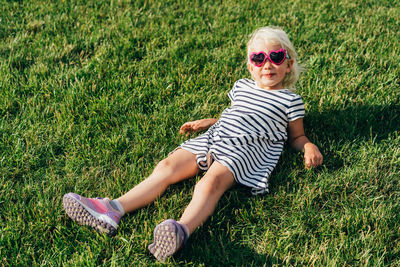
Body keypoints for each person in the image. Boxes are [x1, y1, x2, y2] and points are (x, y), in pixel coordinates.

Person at [62, 26, 323, 262]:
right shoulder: (242, 87)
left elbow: (295, 136)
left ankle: (181, 230)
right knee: (166, 166)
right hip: (217, 135)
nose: (267, 65)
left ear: (288, 65)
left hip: (247, 148)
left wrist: (308, 146)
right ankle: (112, 208)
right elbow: (233, 115)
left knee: (210, 182)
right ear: (250, 66)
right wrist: (208, 122)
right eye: (259, 58)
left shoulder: (290, 101)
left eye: (276, 57)